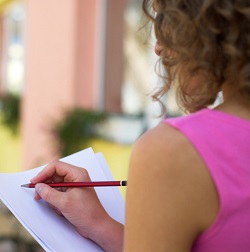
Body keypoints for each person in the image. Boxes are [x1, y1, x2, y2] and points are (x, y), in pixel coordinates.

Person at [31, 0, 250, 251]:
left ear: (213, 25)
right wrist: (98, 224)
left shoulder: (176, 151)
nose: (157, 47)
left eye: (167, 19)